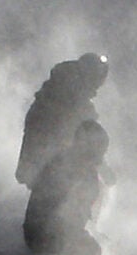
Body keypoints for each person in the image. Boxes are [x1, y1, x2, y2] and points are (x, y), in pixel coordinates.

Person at [23, 119, 108, 255]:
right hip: (41, 229)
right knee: (87, 248)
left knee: (86, 245)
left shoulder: (80, 167)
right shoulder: (66, 166)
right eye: (98, 149)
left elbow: (80, 209)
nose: (99, 156)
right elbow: (56, 206)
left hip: (54, 227)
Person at [16, 53, 108, 187]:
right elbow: (86, 137)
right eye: (97, 79)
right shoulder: (68, 101)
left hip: (46, 173)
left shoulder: (54, 94)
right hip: (53, 175)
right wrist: (102, 167)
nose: (98, 85)